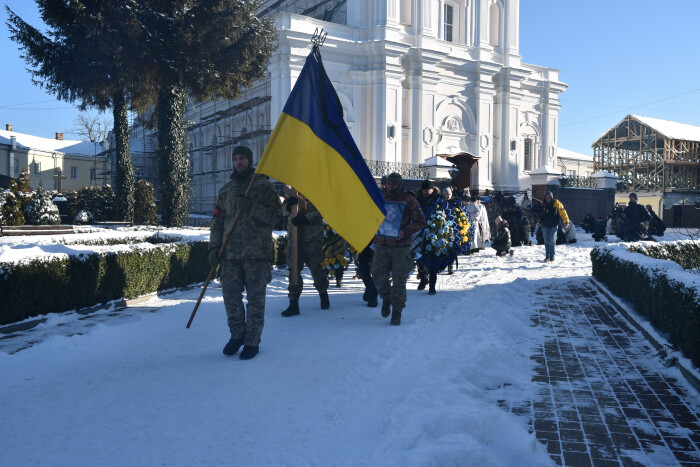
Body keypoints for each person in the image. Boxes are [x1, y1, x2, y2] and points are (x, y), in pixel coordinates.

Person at [208, 146, 283, 360]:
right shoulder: (226, 190)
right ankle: (237, 336)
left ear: (250, 161)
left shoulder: (263, 187)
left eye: (242, 158)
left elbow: (277, 217)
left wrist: (253, 209)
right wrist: (214, 247)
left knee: (255, 300)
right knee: (230, 298)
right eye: (235, 158)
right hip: (230, 253)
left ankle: (252, 341)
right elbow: (218, 222)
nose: (238, 162)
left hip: (256, 254)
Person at [372, 172, 426, 325]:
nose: (390, 186)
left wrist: (405, 231)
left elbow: (421, 221)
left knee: (399, 279)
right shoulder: (379, 197)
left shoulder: (409, 200)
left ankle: (397, 310)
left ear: (400, 184)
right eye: (388, 184)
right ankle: (386, 297)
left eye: (393, 184)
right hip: (381, 243)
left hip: (400, 246)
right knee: (377, 275)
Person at [280, 192, 330, 316]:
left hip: (312, 238)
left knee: (316, 268)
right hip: (294, 237)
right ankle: (293, 303)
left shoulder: (316, 190)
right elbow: (283, 211)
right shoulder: (293, 191)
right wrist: (288, 206)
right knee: (294, 270)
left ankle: (323, 293)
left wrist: (306, 219)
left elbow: (322, 211)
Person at [415, 179, 441, 290]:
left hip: (434, 232)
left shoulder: (438, 199)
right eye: (424, 189)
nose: (426, 191)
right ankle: (423, 278)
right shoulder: (417, 200)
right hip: (419, 231)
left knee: (432, 257)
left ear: (432, 189)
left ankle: (432, 284)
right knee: (420, 257)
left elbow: (443, 214)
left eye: (428, 189)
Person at [539, 191, 569, 262]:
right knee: (546, 241)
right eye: (547, 197)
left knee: (551, 240)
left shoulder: (556, 203)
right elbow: (536, 213)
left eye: (550, 197)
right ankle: (547, 256)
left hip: (554, 225)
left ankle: (552, 256)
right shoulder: (542, 204)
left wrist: (566, 221)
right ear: (545, 197)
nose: (548, 198)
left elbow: (563, 212)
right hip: (545, 225)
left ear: (552, 197)